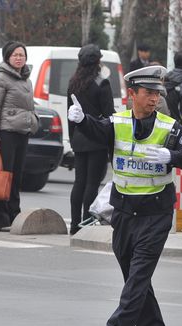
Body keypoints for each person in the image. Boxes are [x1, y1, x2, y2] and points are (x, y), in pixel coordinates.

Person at [68, 65, 182, 326]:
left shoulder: (169, 127)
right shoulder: (118, 122)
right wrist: (81, 121)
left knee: (138, 276)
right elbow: (97, 129)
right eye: (149, 93)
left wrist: (172, 156)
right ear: (133, 95)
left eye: (158, 93)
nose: (154, 99)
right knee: (135, 279)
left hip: (156, 214)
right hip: (125, 214)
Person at [0, 41, 39, 231]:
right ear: (7, 57)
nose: (19, 58)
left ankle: (14, 214)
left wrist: (33, 120)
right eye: (15, 55)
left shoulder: (26, 79)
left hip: (22, 132)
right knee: (3, 176)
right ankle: (0, 219)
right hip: (5, 132)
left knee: (16, 177)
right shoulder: (1, 78)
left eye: (22, 55)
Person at [67, 44, 114, 235]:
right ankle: (86, 223)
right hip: (96, 137)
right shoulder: (102, 83)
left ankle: (74, 223)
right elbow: (108, 114)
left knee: (79, 182)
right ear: (97, 62)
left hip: (78, 137)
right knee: (92, 183)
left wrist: (73, 137)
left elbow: (70, 114)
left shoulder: (73, 82)